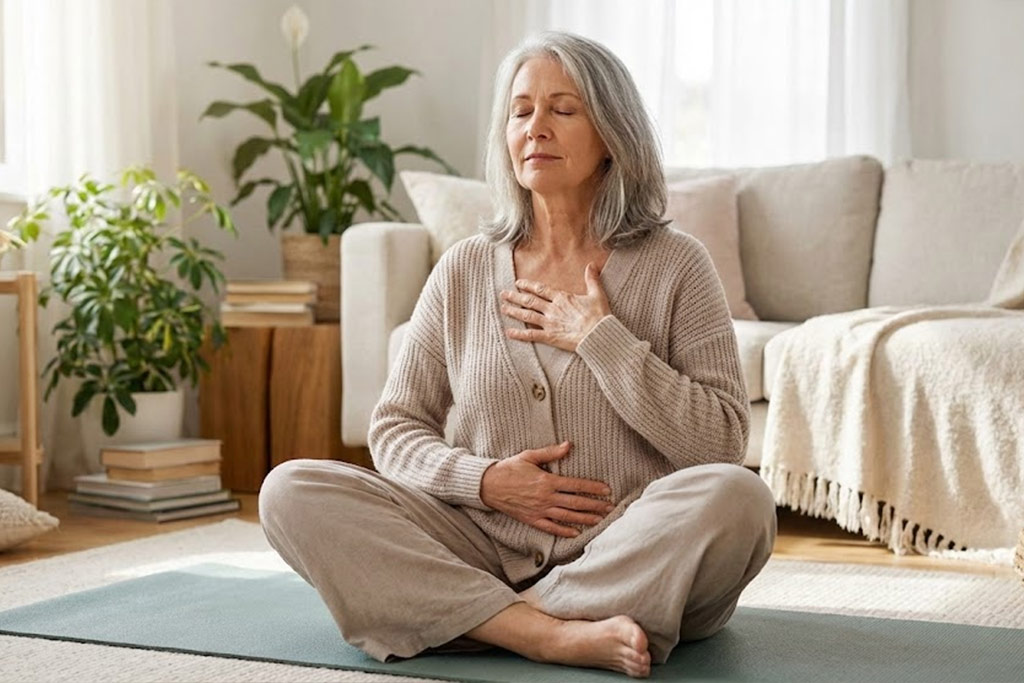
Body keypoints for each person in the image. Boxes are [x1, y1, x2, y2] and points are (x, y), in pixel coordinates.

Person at [259, 31, 776, 679]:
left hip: (629, 549)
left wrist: (602, 339)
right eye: (521, 110)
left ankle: (477, 617)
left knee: (740, 499)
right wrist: (484, 482)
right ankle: (544, 632)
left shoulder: (677, 265)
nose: (536, 127)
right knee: (290, 491)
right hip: (479, 543)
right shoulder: (465, 268)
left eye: (563, 109)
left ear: (612, 133)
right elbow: (393, 428)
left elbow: (721, 442)